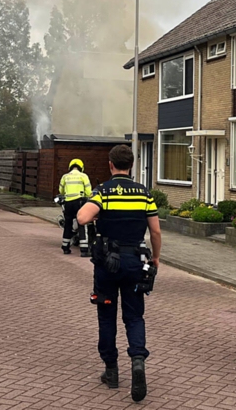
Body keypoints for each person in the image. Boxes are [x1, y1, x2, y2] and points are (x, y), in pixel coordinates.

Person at [77, 144, 161, 403]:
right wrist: (156, 257)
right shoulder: (144, 193)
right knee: (134, 316)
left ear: (110, 165)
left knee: (107, 315)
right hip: (135, 261)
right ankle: (137, 361)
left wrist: (96, 213)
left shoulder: (103, 191)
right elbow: (155, 232)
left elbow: (81, 218)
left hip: (107, 264)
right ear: (132, 165)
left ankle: (111, 371)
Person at [58, 159, 92, 256]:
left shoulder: (65, 176)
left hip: (68, 203)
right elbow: (89, 192)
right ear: (81, 167)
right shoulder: (83, 176)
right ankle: (84, 251)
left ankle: (65, 247)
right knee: (82, 223)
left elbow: (61, 190)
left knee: (68, 225)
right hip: (79, 203)